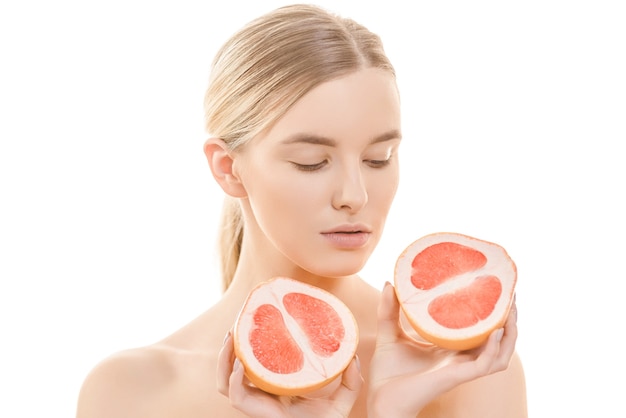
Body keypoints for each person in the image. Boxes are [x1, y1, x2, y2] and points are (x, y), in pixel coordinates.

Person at [76, 4, 527, 417]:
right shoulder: (131, 393)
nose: (355, 195)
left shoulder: (465, 372)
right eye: (312, 162)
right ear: (229, 168)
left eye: (379, 159)